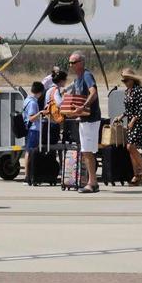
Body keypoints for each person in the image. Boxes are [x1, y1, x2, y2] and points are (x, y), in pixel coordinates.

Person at [68, 52, 101, 194]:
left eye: (73, 62)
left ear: (81, 62)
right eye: (70, 63)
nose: (71, 65)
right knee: (86, 151)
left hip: (90, 119)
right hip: (84, 119)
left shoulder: (87, 75)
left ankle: (92, 183)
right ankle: (92, 181)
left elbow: (93, 92)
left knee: (87, 151)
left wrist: (84, 106)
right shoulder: (78, 78)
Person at [113, 68, 142, 185]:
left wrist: (133, 121)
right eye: (123, 81)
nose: (125, 83)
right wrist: (121, 116)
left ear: (133, 80)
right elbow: (128, 109)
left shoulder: (138, 91)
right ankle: (136, 174)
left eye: (127, 80)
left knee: (130, 147)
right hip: (130, 121)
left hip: (138, 122)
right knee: (130, 149)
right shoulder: (127, 92)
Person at [22, 81, 45, 184]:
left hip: (30, 130)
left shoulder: (27, 100)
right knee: (30, 153)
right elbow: (31, 118)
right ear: (40, 92)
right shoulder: (32, 102)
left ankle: (28, 175)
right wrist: (40, 113)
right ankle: (27, 176)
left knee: (29, 152)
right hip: (33, 130)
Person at [42, 70, 67, 144]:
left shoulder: (50, 89)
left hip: (49, 119)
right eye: (65, 79)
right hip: (53, 121)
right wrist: (65, 97)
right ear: (61, 81)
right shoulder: (55, 90)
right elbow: (59, 104)